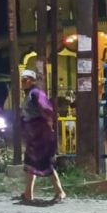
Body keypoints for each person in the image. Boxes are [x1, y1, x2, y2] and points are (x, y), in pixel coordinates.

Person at [18, 69, 65, 203]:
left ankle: (60, 192)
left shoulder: (36, 93)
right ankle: (28, 193)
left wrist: (47, 123)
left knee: (44, 163)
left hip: (40, 135)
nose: (23, 83)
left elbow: (47, 109)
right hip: (33, 135)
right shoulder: (28, 94)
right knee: (30, 163)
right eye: (22, 80)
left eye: (25, 80)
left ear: (32, 81)